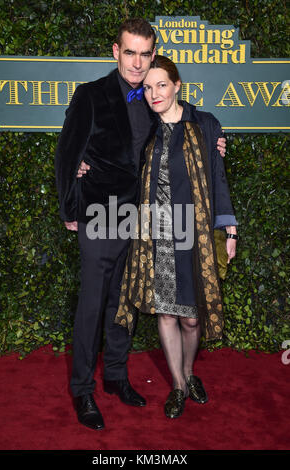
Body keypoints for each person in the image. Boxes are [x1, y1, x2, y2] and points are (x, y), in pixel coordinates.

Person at [55, 19, 227, 431]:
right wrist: (71, 210)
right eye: (129, 52)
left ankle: (115, 376)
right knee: (93, 306)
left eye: (144, 54)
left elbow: (184, 124)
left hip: (143, 219)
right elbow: (67, 154)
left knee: (123, 304)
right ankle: (82, 388)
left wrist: (216, 139)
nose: (137, 62)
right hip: (101, 215)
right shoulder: (91, 95)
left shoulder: (153, 96)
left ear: (153, 54)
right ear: (116, 51)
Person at [114, 55, 238, 419]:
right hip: (155, 234)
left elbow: (217, 178)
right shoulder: (141, 128)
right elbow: (119, 169)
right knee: (166, 314)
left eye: (161, 85)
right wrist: (85, 166)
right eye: (148, 88)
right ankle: (180, 386)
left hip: (194, 235)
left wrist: (229, 229)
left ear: (177, 85)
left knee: (191, 318)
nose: (154, 94)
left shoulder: (205, 125)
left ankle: (189, 371)